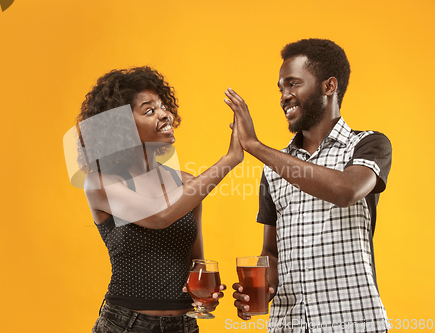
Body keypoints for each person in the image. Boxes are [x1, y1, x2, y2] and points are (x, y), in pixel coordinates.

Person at [225, 39, 392, 332]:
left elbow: (346, 190)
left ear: (329, 86)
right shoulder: (274, 168)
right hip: (288, 325)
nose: (284, 96)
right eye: (281, 88)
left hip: (352, 323)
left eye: (293, 84)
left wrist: (253, 145)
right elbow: (271, 251)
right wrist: (261, 286)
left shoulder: (367, 143)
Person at [73, 66, 243, 332]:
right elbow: (159, 215)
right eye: (149, 110)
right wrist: (230, 159)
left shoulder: (187, 183)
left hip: (184, 326)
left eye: (163, 106)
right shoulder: (100, 182)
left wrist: (203, 297)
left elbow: (195, 263)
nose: (165, 114)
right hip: (126, 325)